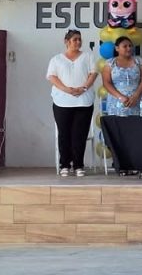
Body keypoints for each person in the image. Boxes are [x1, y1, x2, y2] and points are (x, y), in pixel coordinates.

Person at [47, 29, 98, 177]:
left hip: (83, 101)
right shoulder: (56, 59)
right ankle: (65, 164)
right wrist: (67, 89)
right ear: (67, 41)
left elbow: (93, 73)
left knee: (79, 134)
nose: (78, 42)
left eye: (79, 39)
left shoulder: (88, 56)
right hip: (62, 101)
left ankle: (78, 165)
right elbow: (52, 77)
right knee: (64, 134)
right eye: (75, 39)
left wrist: (83, 88)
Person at [102, 36, 142, 118]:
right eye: (125, 46)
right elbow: (106, 83)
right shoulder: (110, 63)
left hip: (135, 101)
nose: (129, 48)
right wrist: (120, 97)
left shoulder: (139, 61)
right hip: (116, 103)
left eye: (130, 46)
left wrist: (135, 96)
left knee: (136, 128)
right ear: (117, 48)